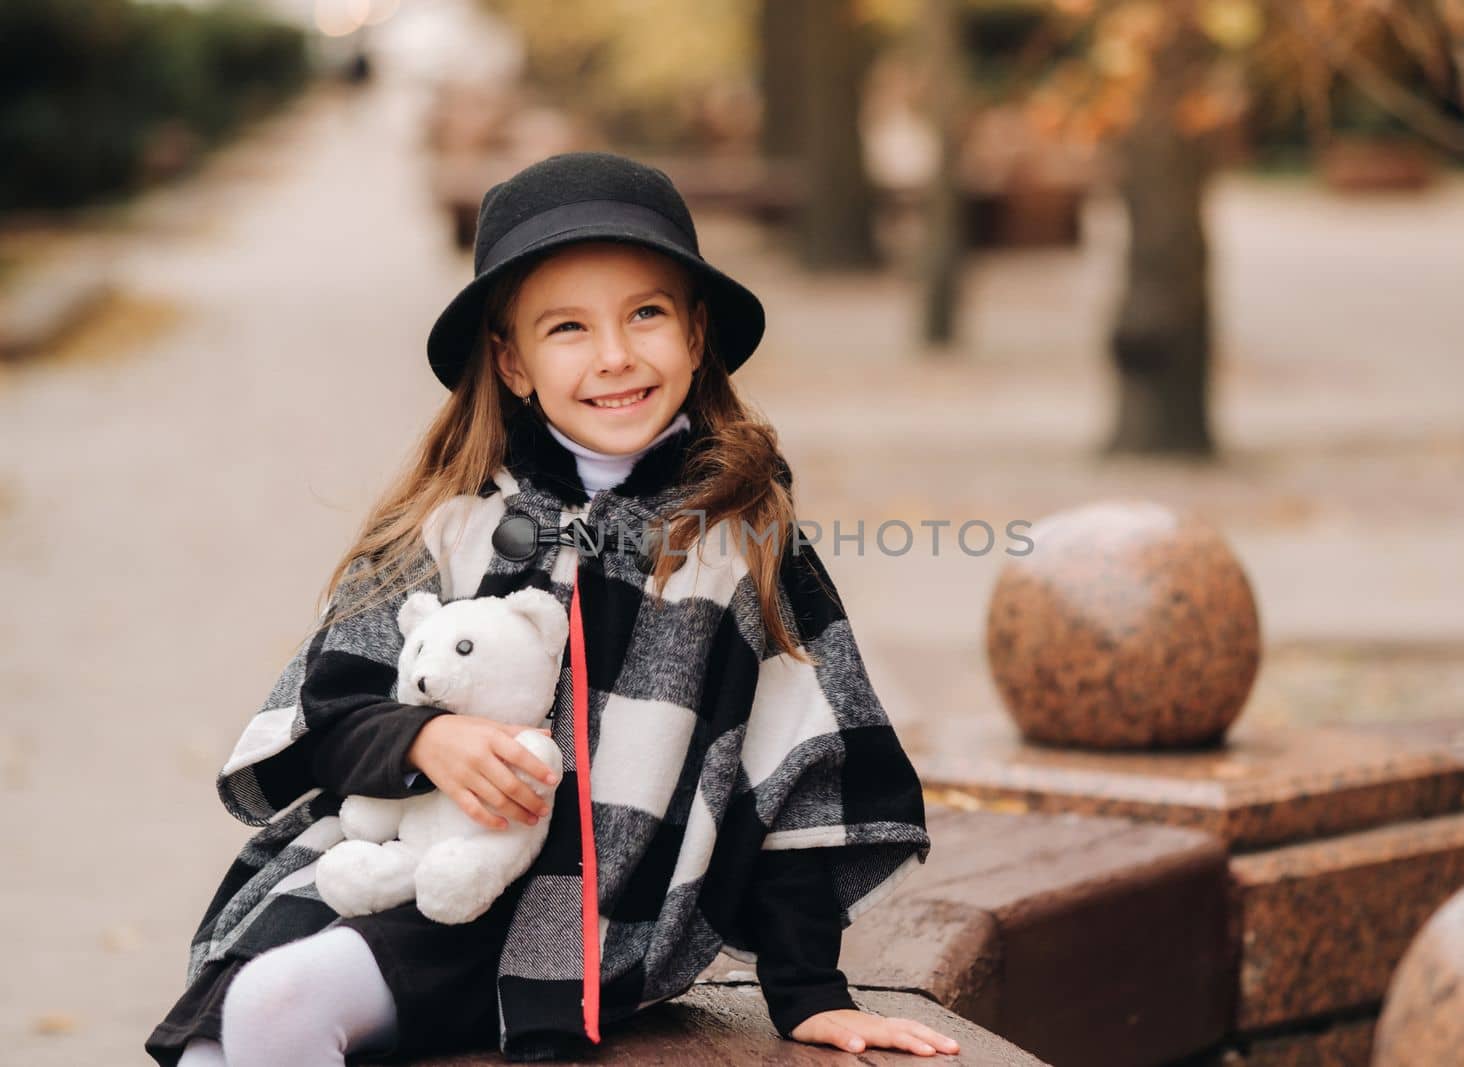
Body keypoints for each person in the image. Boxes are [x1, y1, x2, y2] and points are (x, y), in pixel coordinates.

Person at [146, 151, 958, 1065]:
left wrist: (810, 989)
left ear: (695, 335)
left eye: (645, 313)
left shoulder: (739, 545)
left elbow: (799, 773)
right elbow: (325, 709)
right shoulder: (449, 520)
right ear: (513, 361)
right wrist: (421, 741)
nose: (615, 355)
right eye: (567, 326)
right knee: (250, 1016)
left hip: (590, 932)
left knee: (277, 1012)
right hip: (415, 889)